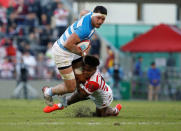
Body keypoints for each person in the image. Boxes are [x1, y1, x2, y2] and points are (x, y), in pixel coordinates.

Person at [42, 6, 107, 106]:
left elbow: (82, 12)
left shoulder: (89, 14)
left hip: (71, 52)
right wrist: (83, 53)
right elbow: (67, 44)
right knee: (70, 88)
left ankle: (80, 91)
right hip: (62, 53)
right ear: (93, 16)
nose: (100, 21)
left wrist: (76, 22)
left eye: (103, 19)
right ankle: (48, 92)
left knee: (81, 77)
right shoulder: (84, 30)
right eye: (98, 18)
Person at [43, 55, 122, 117]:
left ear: (94, 69)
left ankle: (115, 110)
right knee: (74, 96)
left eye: (88, 70)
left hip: (103, 96)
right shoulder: (83, 68)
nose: (85, 72)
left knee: (101, 115)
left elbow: (82, 95)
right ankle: (60, 104)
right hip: (89, 90)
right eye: (84, 69)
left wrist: (77, 82)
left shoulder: (94, 82)